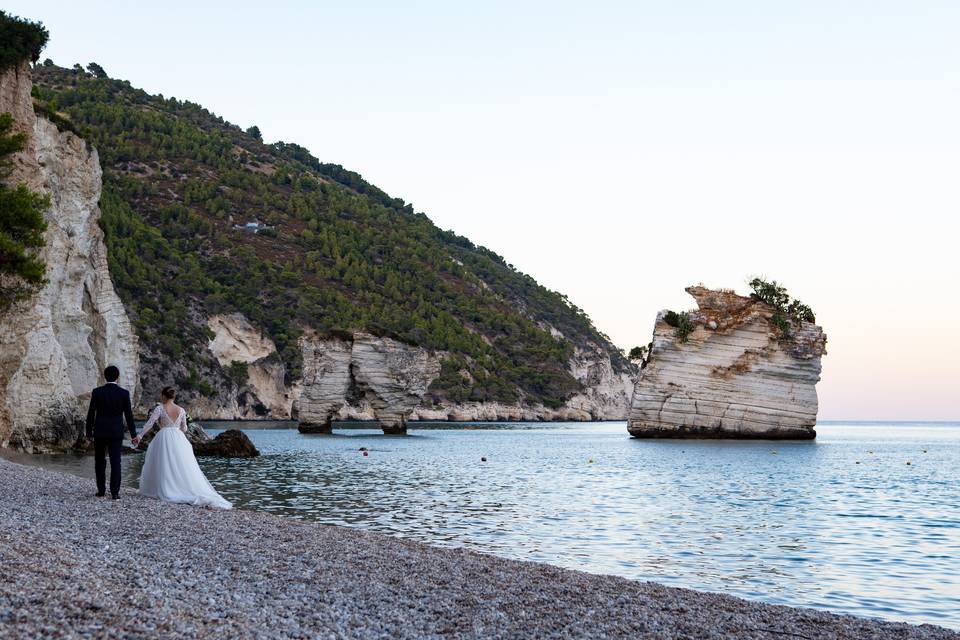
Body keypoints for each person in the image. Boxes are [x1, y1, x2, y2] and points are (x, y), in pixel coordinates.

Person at [132, 386, 231, 509]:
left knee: (163, 463)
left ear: (163, 396)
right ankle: (180, 487)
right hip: (178, 438)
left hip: (164, 436)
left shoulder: (160, 408)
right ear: (174, 397)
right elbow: (184, 429)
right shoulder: (182, 410)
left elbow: (150, 423)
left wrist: (140, 436)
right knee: (179, 464)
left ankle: (163, 488)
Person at [85, 365, 138, 499]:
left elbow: (91, 413)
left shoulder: (97, 392)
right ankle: (115, 492)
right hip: (116, 432)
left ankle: (101, 490)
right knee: (116, 462)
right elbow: (129, 416)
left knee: (99, 461)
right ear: (118, 377)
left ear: (104, 376)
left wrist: (88, 433)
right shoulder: (124, 393)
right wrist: (133, 435)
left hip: (100, 431)